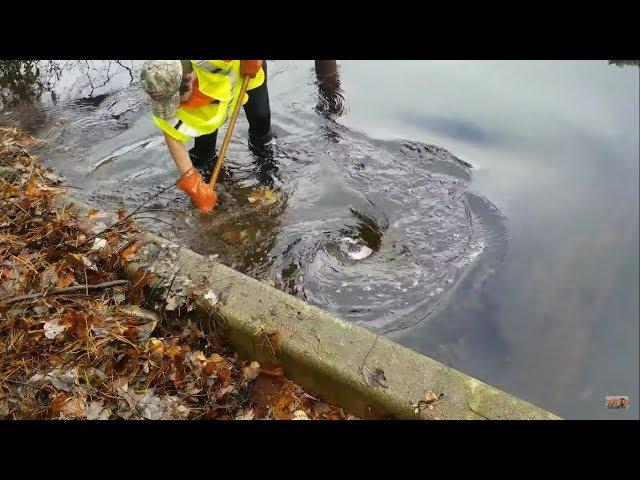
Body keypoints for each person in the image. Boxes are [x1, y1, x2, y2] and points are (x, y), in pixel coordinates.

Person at [140, 60, 273, 213]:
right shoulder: (162, 72)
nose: (174, 105)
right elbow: (170, 131)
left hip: (246, 69)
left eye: (175, 99)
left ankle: (267, 165)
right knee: (204, 155)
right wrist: (192, 183)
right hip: (210, 94)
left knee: (260, 119)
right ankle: (206, 161)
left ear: (188, 80)